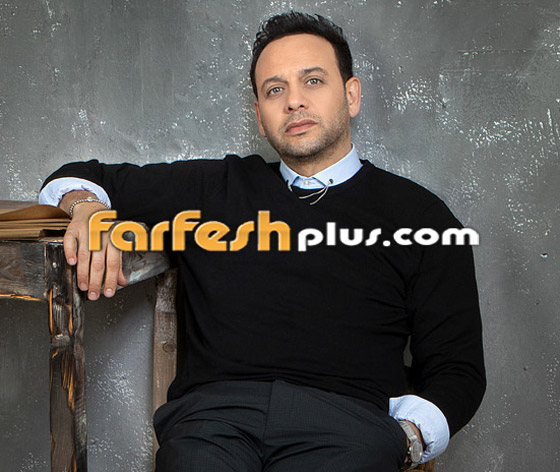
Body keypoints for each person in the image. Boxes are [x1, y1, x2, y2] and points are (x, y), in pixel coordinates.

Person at [39, 11, 485, 472]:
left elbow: (458, 369)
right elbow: (77, 177)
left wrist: (407, 438)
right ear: (259, 116)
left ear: (351, 95)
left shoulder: (421, 217)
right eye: (275, 90)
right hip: (213, 425)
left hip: (349, 427)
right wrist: (89, 210)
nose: (294, 101)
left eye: (313, 81)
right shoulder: (213, 189)